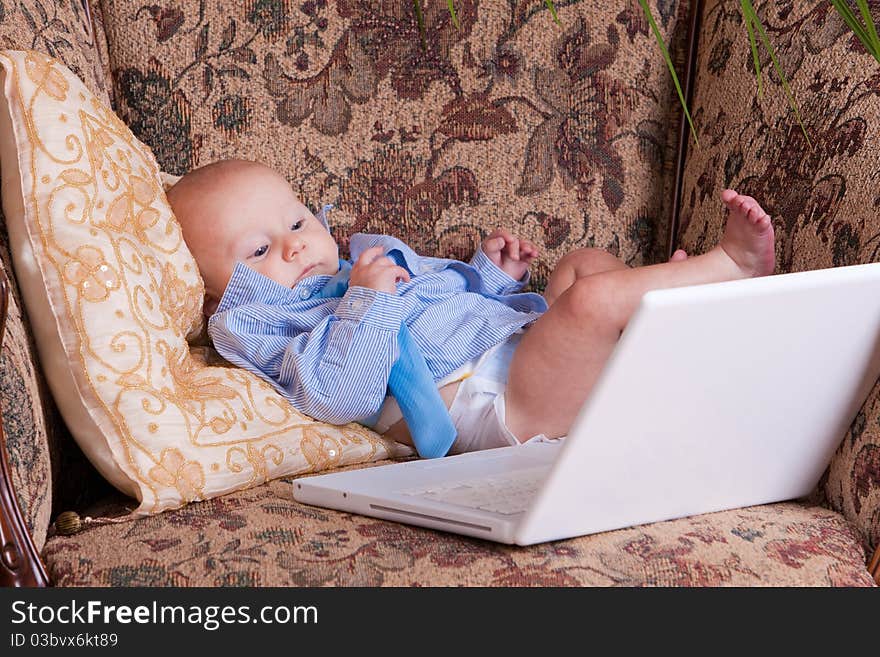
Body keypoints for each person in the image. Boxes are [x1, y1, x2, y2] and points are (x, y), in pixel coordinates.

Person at [168, 159, 775, 454]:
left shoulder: (364, 263)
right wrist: (367, 304)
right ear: (222, 291)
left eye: (297, 221)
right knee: (589, 302)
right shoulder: (267, 323)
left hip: (513, 342)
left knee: (579, 267)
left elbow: (442, 301)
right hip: (495, 403)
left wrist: (492, 277)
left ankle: (661, 318)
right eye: (258, 248)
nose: (294, 242)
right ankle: (731, 268)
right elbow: (339, 395)